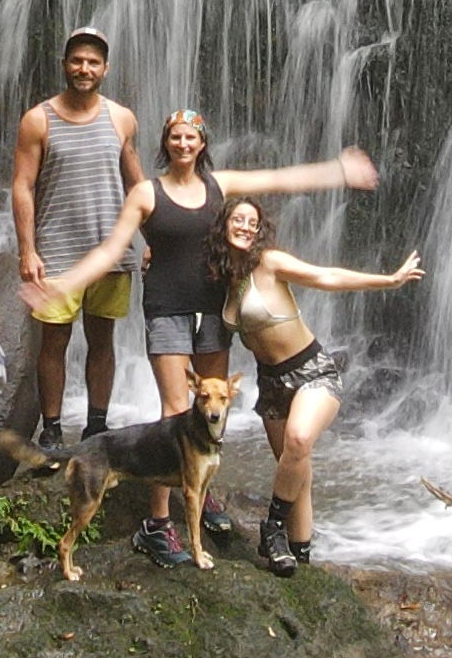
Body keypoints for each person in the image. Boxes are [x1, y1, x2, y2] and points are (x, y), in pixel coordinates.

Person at [24, 111, 380, 566]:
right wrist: (63, 283)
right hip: (167, 310)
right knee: (175, 411)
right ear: (166, 143)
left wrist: (339, 171)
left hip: (213, 310)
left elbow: (276, 179)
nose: (183, 144)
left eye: (190, 137)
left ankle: (199, 492)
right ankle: (158, 522)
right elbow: (113, 249)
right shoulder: (146, 192)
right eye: (175, 136)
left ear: (202, 143)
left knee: (213, 406)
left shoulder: (218, 185)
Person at [208, 193, 423, 577]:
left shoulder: (269, 263)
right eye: (237, 220)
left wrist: (388, 280)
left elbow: (325, 276)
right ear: (224, 225)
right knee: (296, 471)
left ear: (259, 231)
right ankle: (299, 557)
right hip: (271, 383)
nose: (243, 227)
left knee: (298, 441)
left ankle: (272, 528)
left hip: (312, 370)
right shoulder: (223, 276)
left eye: (251, 222)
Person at [12, 26, 144, 450]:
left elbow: (136, 182)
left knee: (102, 339)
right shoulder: (38, 119)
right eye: (77, 61)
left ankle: (97, 425)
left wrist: (152, 235)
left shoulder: (121, 118)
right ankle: (51, 427)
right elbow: (22, 186)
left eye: (93, 62)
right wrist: (27, 249)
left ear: (105, 68)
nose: (84, 68)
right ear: (65, 64)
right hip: (56, 250)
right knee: (54, 340)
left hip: (111, 250)